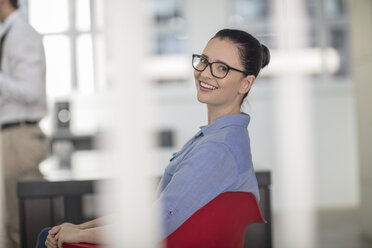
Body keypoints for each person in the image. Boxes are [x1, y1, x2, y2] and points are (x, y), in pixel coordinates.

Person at [37, 28, 270, 248]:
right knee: (52, 232)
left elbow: (157, 222)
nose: (204, 72)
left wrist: (78, 235)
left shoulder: (217, 148)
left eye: (222, 68)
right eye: (204, 61)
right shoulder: (220, 138)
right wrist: (80, 227)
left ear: (246, 83)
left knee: (45, 236)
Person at [0, 0, 49, 247]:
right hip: (12, 136)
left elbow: (31, 91)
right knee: (11, 224)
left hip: (19, 137)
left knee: (20, 227)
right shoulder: (9, 33)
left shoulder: (20, 35)